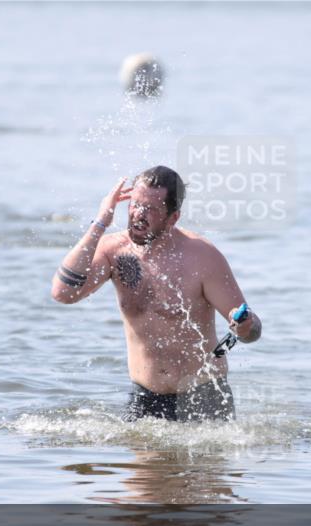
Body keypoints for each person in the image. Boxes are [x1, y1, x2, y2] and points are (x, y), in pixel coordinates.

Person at [50, 166, 262, 422]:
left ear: (173, 218)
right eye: (135, 205)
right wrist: (100, 223)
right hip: (145, 398)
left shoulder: (202, 257)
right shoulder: (114, 251)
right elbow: (63, 293)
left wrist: (243, 328)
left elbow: (249, 332)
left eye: (150, 209)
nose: (139, 215)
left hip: (204, 396)